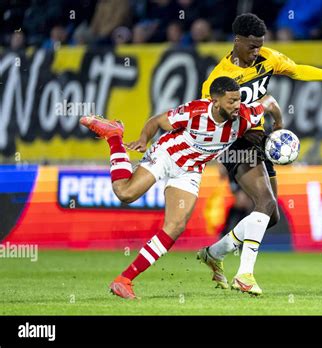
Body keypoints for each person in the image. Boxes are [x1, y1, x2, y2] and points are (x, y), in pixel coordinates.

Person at [196, 13, 322, 296]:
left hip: (259, 141)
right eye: (251, 46)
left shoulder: (268, 59)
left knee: (271, 215)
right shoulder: (218, 79)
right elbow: (209, 120)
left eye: (260, 45)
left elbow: (298, 70)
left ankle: (214, 253)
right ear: (237, 41)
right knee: (264, 201)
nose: (256, 51)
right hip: (235, 145)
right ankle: (245, 274)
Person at [80, 77, 265, 299]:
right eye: (231, 101)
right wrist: (143, 138)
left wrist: (280, 125)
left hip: (191, 170)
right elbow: (158, 121)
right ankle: (113, 136)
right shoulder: (195, 112)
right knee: (125, 193)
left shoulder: (245, 115)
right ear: (215, 102)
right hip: (167, 155)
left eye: (239, 100)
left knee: (175, 226)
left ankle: (124, 280)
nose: (237, 106)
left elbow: (269, 103)